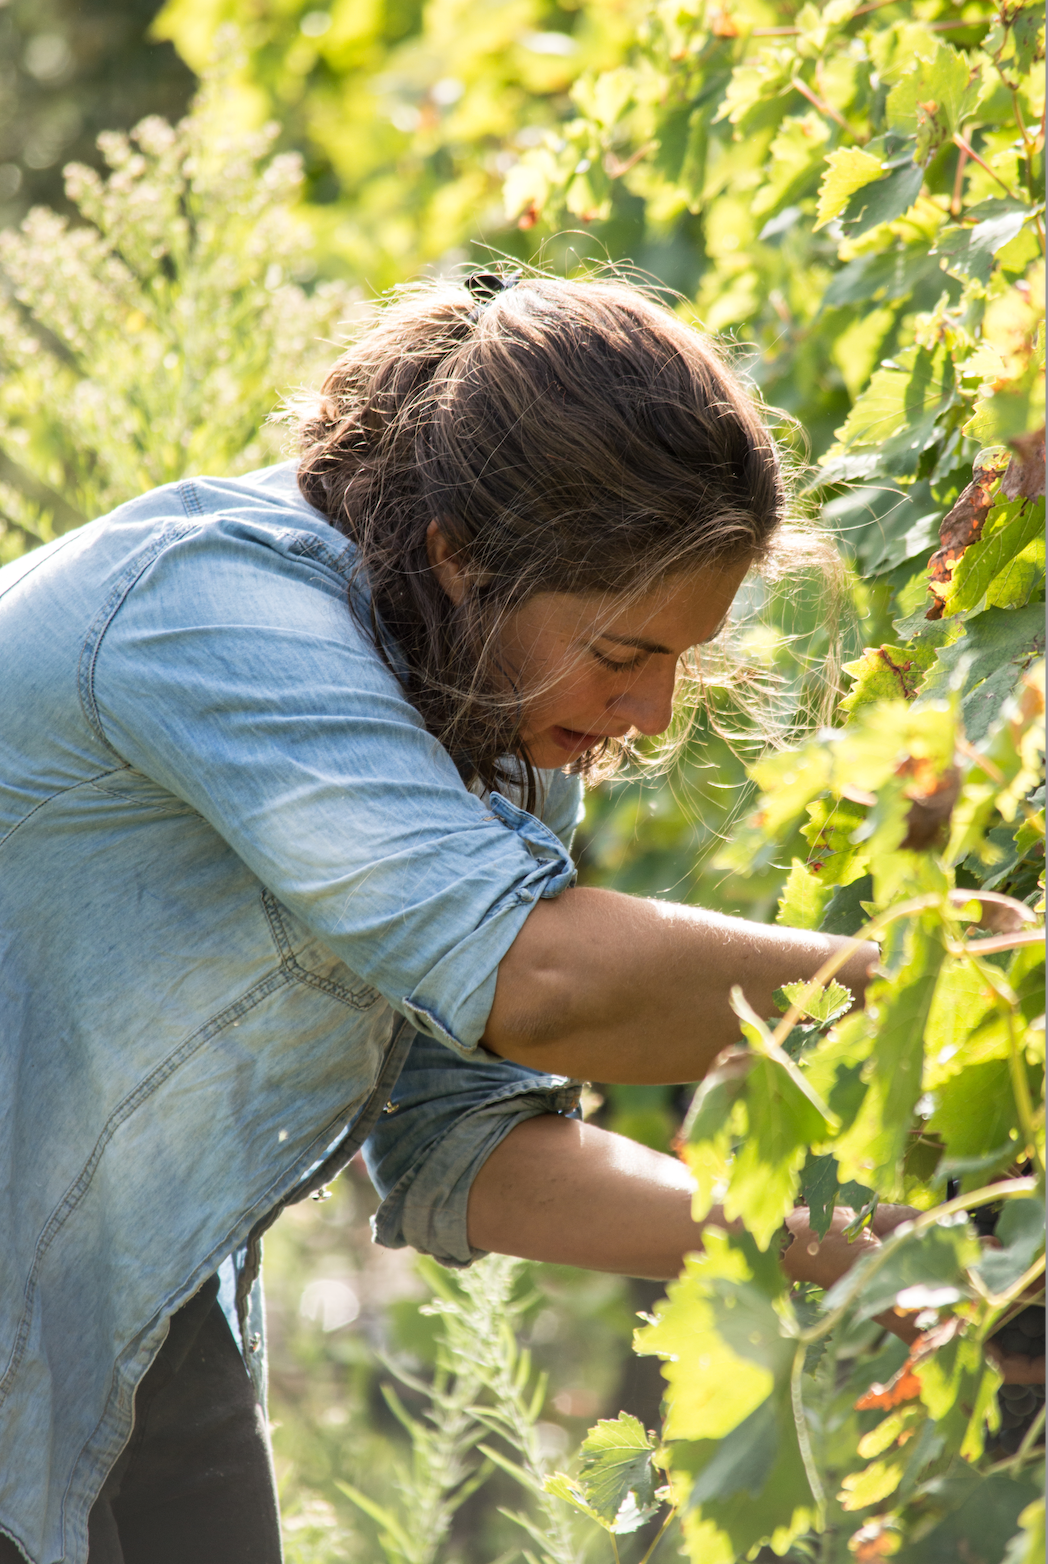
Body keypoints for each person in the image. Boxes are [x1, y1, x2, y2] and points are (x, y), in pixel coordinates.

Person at [0, 271, 914, 1564]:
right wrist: (930, 983)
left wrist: (863, 1248)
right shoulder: (213, 609)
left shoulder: (492, 722)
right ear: (461, 555)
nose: (650, 717)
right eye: (623, 655)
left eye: (678, 660)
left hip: (119, 1317)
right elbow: (539, 979)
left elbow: (467, 1158)